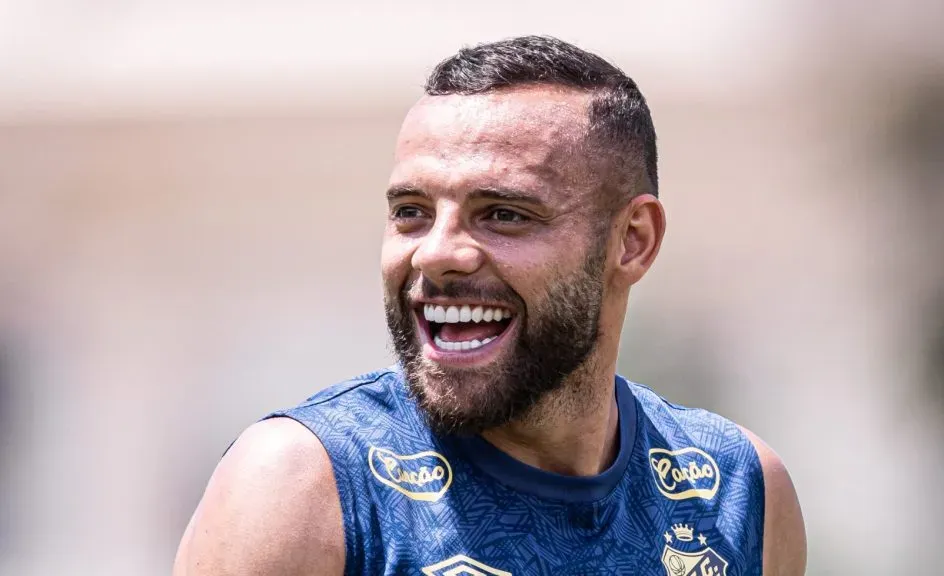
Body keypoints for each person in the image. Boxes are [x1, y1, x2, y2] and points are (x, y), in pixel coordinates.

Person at [173, 35, 806, 576]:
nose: (436, 254)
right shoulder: (302, 486)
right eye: (411, 213)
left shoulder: (738, 493)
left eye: (503, 214)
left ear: (632, 242)